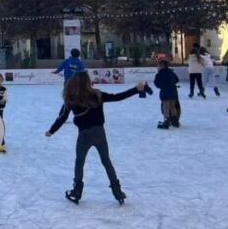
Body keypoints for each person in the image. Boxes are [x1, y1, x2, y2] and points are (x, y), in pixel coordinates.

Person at [45, 72, 150, 205]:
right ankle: (117, 192)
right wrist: (136, 89)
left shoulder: (71, 98)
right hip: (99, 133)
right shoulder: (97, 94)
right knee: (106, 161)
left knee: (79, 162)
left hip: (84, 134)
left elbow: (62, 117)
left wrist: (51, 131)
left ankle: (77, 191)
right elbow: (117, 97)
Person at [154, 60, 179, 129]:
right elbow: (177, 80)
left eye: (158, 66)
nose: (157, 67)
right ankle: (175, 121)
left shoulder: (159, 74)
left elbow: (156, 83)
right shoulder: (171, 72)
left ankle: (166, 122)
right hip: (173, 92)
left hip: (165, 92)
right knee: (172, 106)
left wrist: (162, 85)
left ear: (162, 66)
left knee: (166, 107)